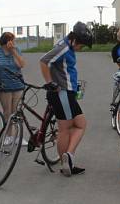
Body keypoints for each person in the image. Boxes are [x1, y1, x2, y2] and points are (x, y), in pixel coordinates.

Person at [40, 22, 93, 177]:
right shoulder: (63, 48)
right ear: (75, 40)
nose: (80, 49)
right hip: (62, 93)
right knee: (67, 128)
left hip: (66, 92)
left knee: (78, 124)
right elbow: (44, 61)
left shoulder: (66, 45)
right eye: (81, 46)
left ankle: (67, 159)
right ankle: (67, 159)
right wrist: (50, 82)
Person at [0, 32, 26, 146]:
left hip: (18, 85)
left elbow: (21, 64)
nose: (15, 42)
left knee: (17, 111)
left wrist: (13, 52)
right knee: (7, 111)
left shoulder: (16, 50)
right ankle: (8, 136)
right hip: (4, 86)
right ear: (7, 41)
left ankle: (18, 137)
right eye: (13, 40)